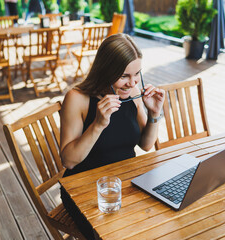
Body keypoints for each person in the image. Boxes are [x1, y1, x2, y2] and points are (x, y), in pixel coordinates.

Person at [59, 33, 165, 239]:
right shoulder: (77, 99)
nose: (132, 83)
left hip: (125, 183)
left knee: (159, 221)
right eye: (124, 76)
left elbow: (146, 144)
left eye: (137, 74)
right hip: (84, 190)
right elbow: (68, 161)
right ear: (105, 70)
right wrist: (98, 125)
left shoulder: (132, 93)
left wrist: (154, 114)